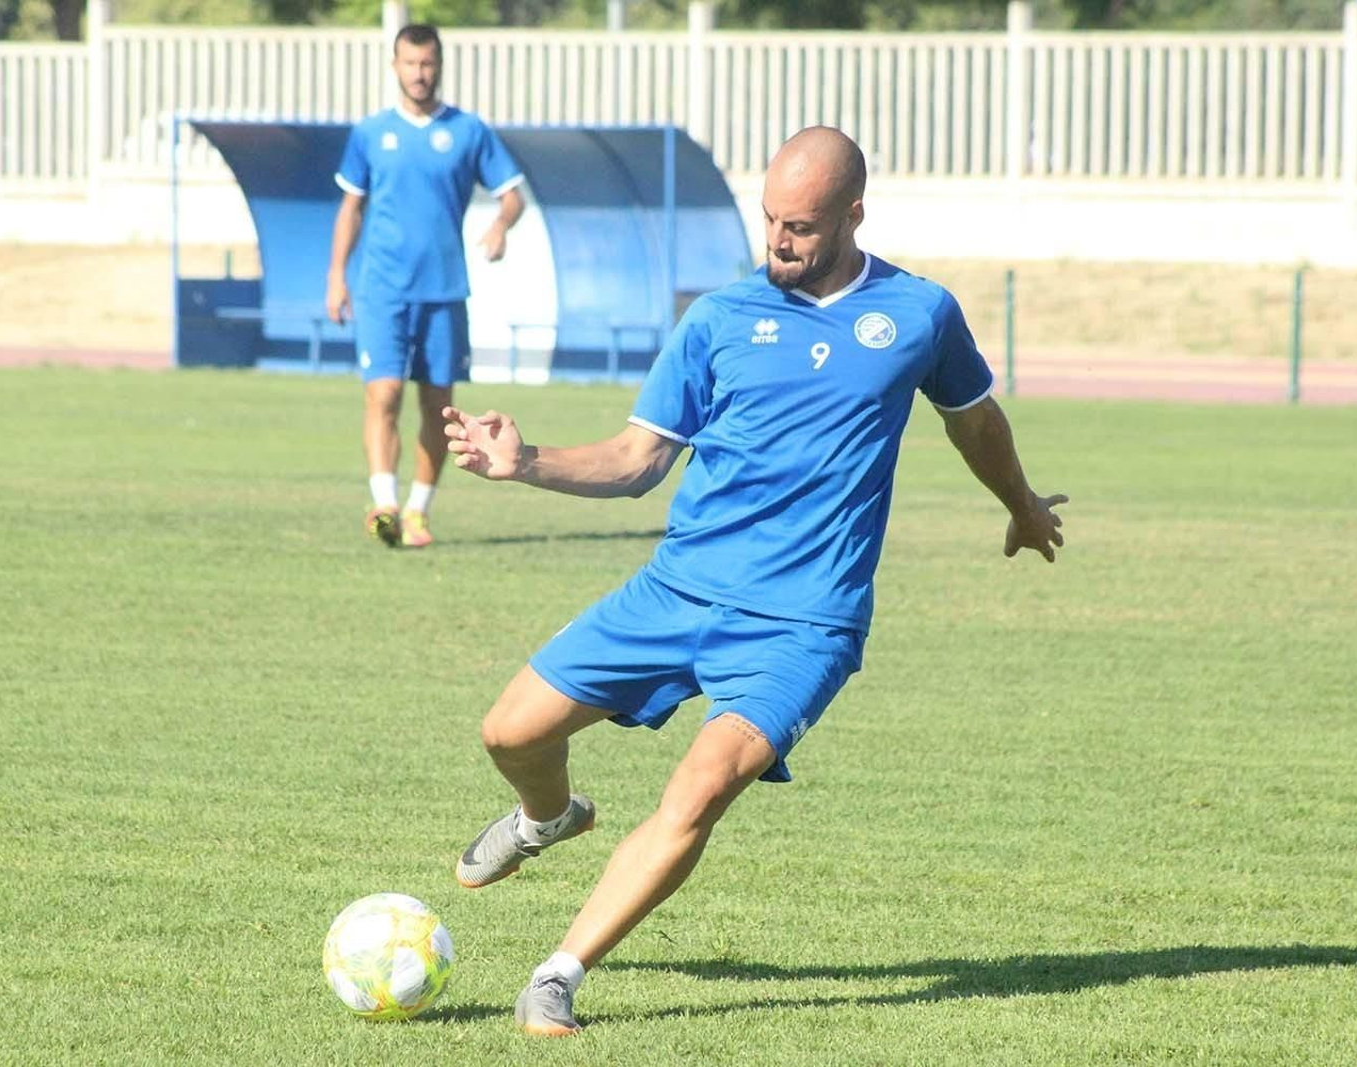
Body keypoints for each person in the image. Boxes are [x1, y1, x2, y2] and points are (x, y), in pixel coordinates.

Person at [443, 126, 1068, 1036]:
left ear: (854, 215)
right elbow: (635, 459)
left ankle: (557, 974)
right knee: (508, 731)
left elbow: (973, 419)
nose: (778, 241)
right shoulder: (718, 319)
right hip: (678, 591)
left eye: (801, 226)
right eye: (769, 220)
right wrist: (525, 459)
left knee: (695, 792)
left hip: (803, 626)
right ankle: (547, 815)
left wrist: (1019, 504)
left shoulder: (920, 314)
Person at [325, 23, 525, 549]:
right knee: (383, 393)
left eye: (428, 63)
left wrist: (501, 225)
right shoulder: (371, 133)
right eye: (410, 63)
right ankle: (384, 503)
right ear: (395, 67)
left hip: (443, 290)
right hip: (382, 289)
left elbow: (512, 195)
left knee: (438, 407)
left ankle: (417, 511)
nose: (420, 73)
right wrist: (335, 277)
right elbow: (351, 207)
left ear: (440, 66)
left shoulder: (467, 131)